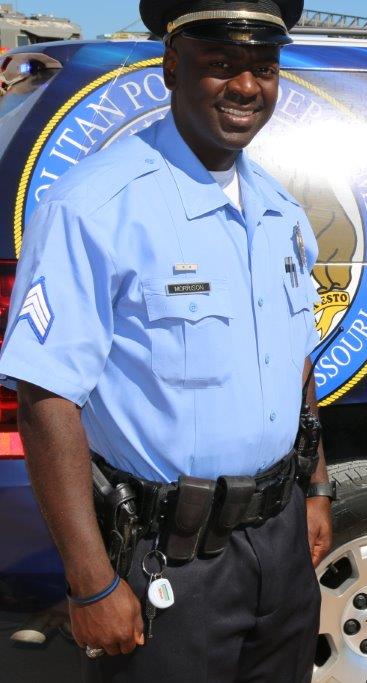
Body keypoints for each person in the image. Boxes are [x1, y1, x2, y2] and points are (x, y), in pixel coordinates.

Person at [0, 1, 335, 680]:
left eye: (263, 68)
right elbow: (46, 397)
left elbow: (296, 361)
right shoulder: (95, 205)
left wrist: (319, 488)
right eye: (222, 65)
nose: (247, 86)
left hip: (280, 543)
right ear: (171, 67)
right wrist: (92, 581)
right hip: (168, 558)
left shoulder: (280, 210)